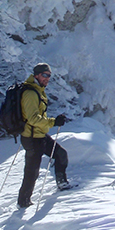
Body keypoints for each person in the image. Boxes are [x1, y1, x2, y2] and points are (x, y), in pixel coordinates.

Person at [17, 63, 69, 208]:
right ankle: (23, 202)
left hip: (39, 136)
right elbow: (32, 118)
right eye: (45, 75)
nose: (47, 78)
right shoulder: (31, 93)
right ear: (37, 75)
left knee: (60, 154)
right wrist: (53, 122)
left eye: (49, 76)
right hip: (32, 138)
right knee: (32, 172)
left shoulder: (38, 90)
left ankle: (62, 183)